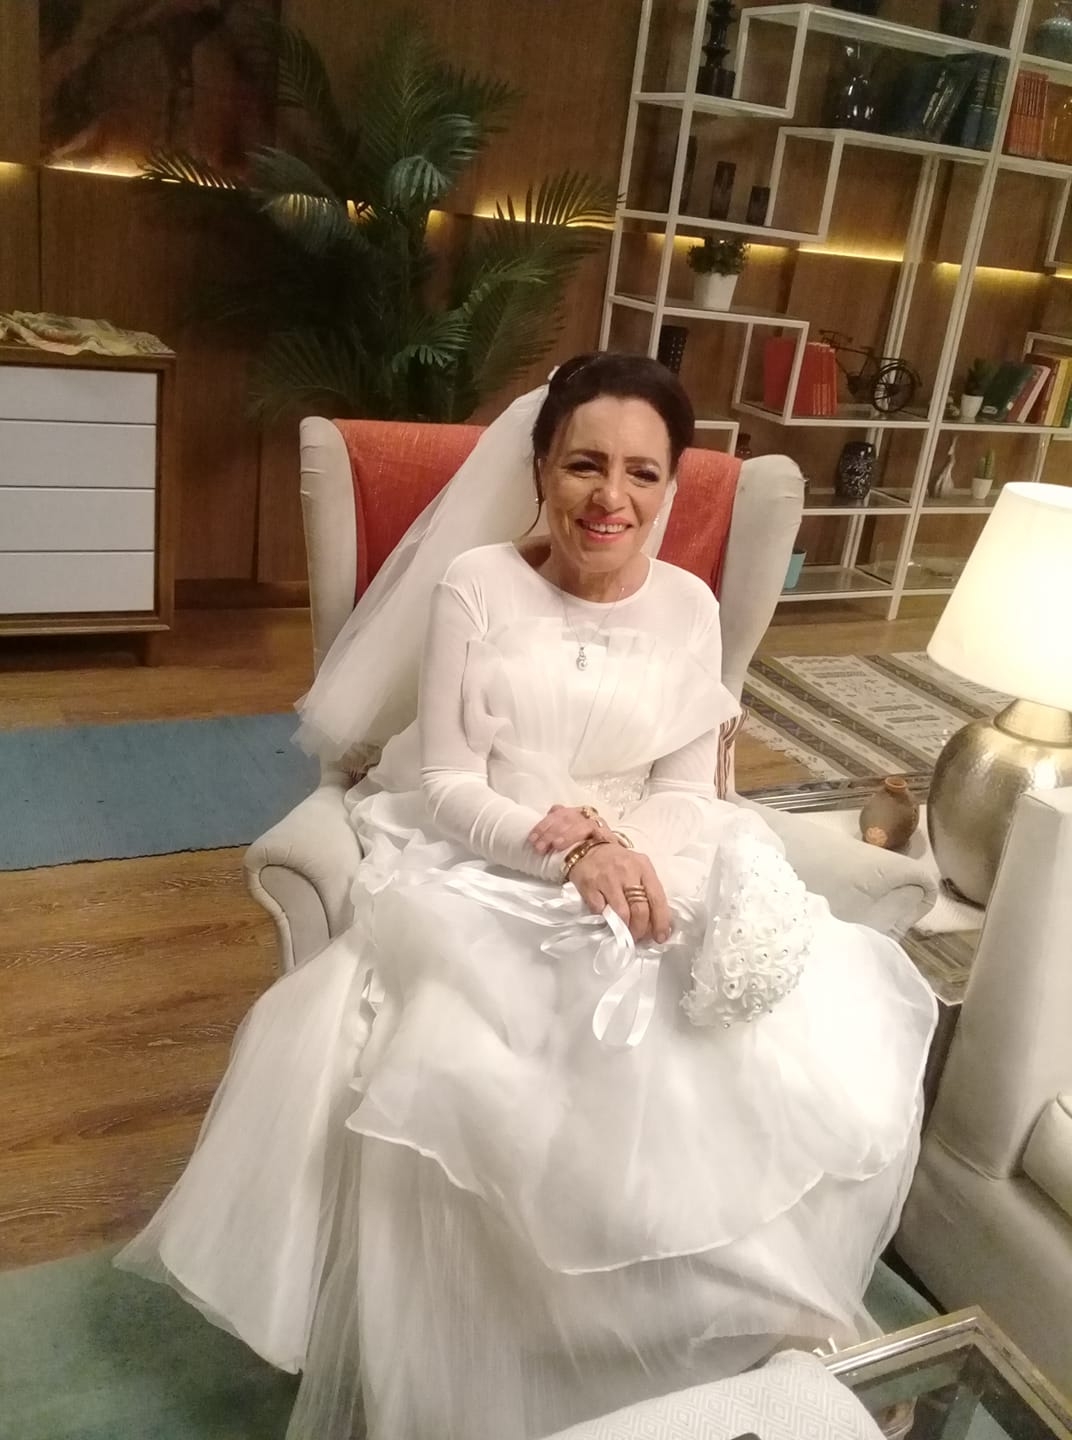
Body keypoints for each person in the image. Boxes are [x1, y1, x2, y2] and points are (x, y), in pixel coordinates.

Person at [117, 354, 937, 1440]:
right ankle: (516, 1386)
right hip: (492, 859)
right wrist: (569, 854)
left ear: (670, 486)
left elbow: (687, 788)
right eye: (585, 464)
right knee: (493, 1062)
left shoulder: (690, 606)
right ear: (542, 465)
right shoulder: (477, 584)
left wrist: (631, 862)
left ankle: (725, 1340)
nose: (611, 497)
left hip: (655, 858)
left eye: (643, 473)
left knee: (748, 1044)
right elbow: (449, 781)